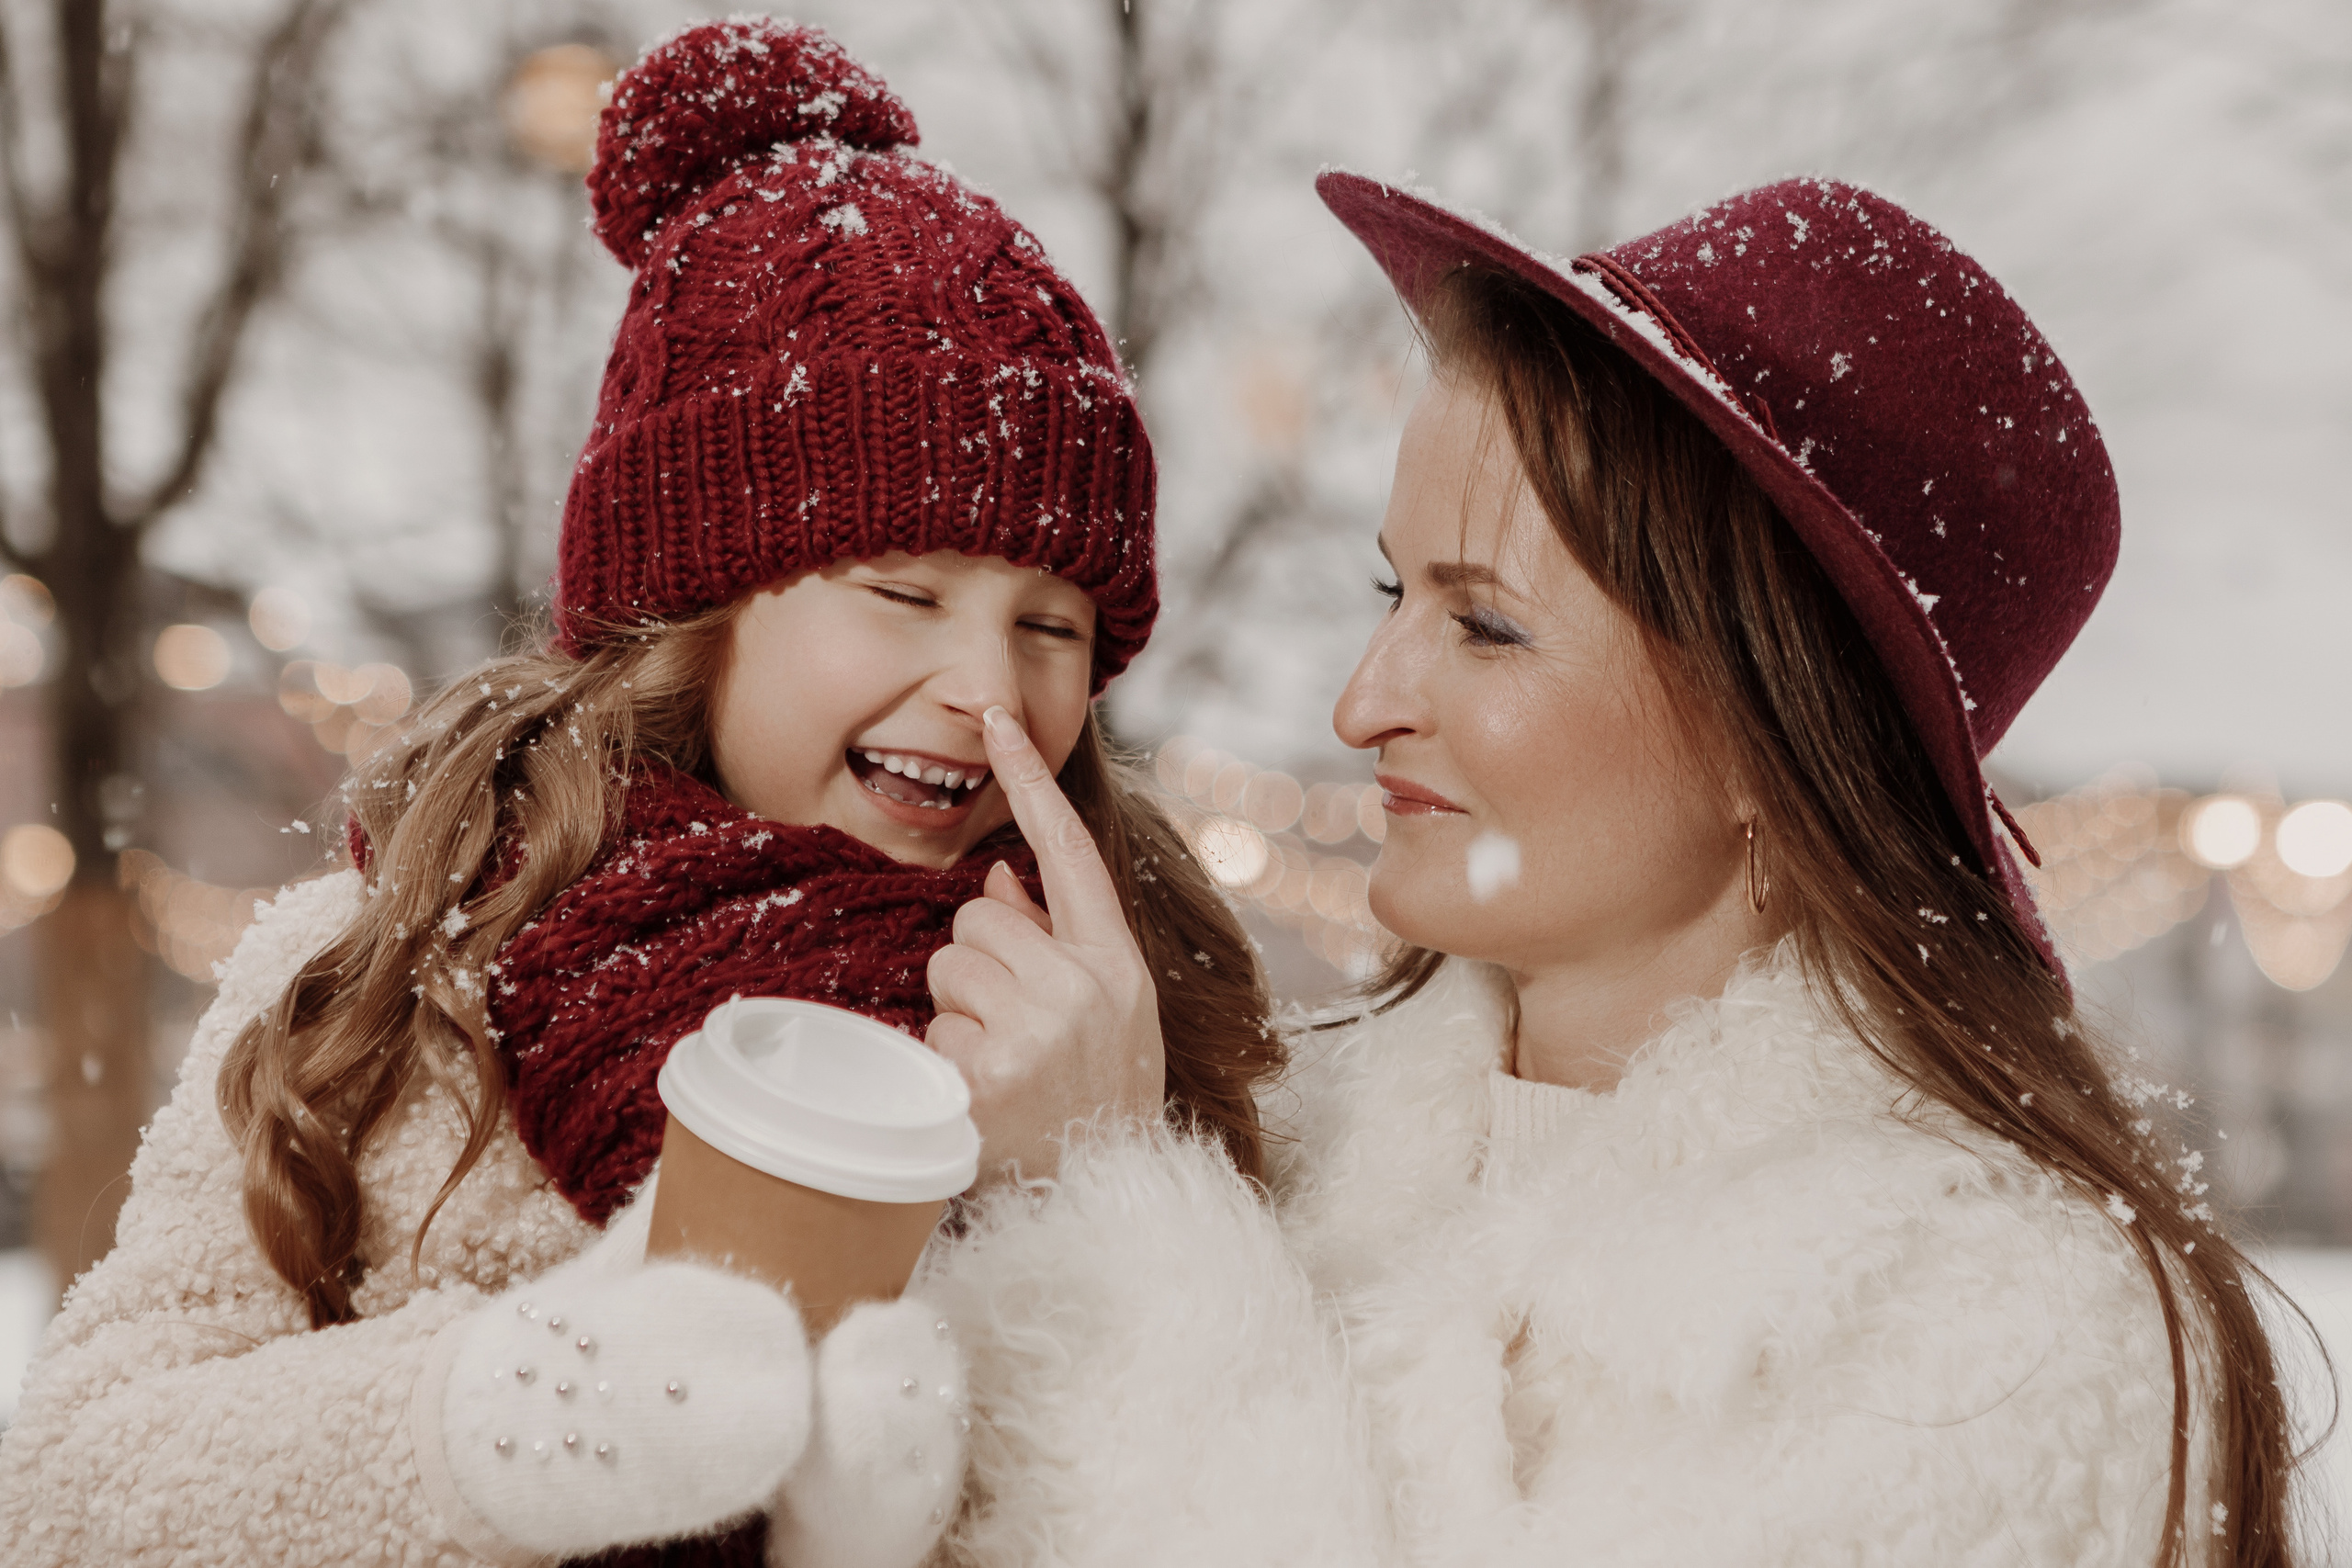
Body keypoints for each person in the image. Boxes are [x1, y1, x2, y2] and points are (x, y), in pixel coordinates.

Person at [899, 175, 2319, 1566]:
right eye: (1396, 594)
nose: (1362, 704)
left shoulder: (2003, 1336)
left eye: (1488, 626)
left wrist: (1111, 1220)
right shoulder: (1291, 1151)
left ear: (1774, 738)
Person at [0, 20, 1275, 1568]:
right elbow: (71, 1487)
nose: (994, 691)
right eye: (900, 588)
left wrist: (1110, 1182)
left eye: (1054, 624)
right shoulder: (397, 974)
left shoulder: (1160, 1018)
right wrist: (494, 1428)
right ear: (697, 599)